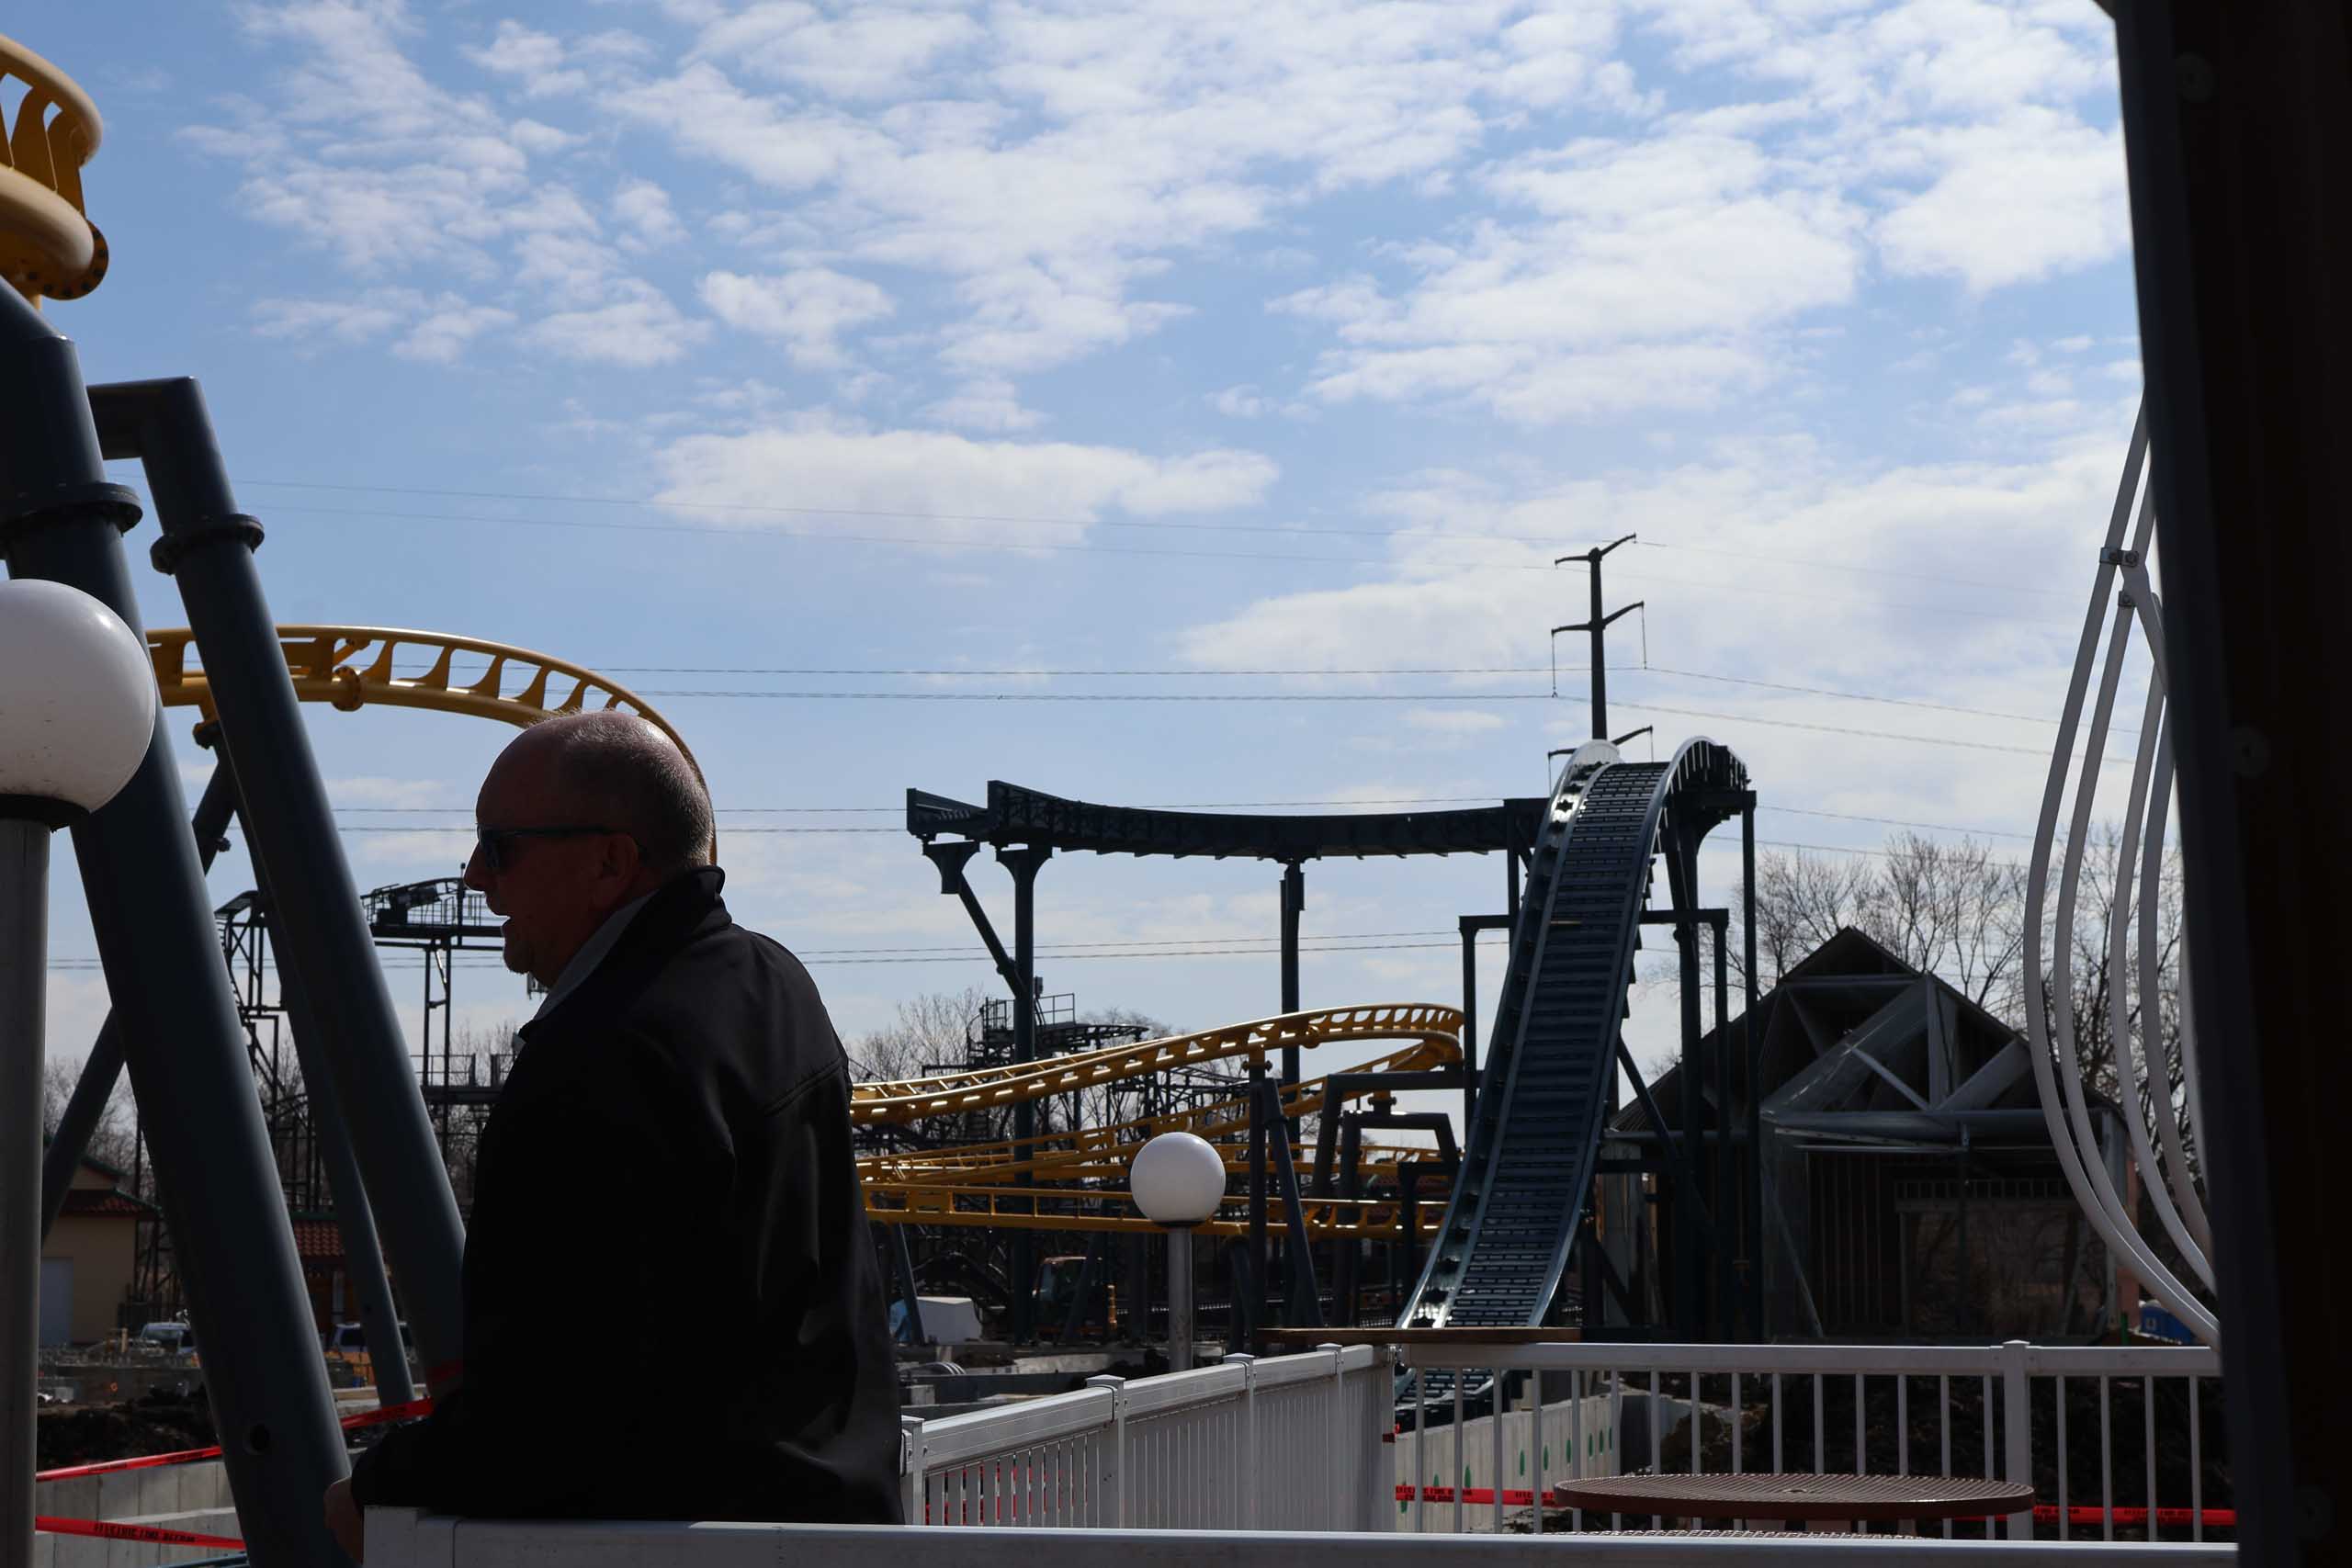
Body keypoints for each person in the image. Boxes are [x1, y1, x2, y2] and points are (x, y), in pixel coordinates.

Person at [325, 712, 902, 1558]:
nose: (476, 875)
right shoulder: (775, 981)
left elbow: (551, 1411)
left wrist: (374, 1489)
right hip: (827, 1522)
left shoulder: (601, 1056)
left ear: (610, 861)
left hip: (683, 1537)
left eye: (501, 845)